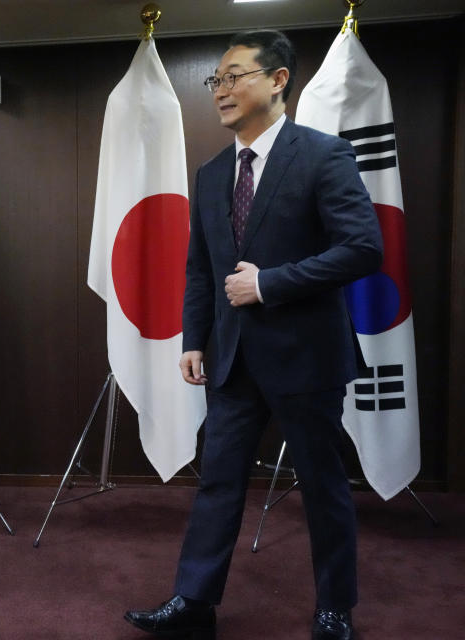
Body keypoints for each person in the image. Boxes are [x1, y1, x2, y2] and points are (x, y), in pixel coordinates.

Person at [124, 31, 382, 640]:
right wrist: (194, 339)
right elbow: (201, 268)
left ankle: (334, 609)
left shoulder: (323, 155)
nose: (221, 90)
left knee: (322, 486)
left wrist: (271, 284)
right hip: (232, 360)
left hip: (307, 357)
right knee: (218, 482)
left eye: (235, 75)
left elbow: (363, 248)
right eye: (217, 80)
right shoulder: (212, 173)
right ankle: (193, 603)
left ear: (278, 80)